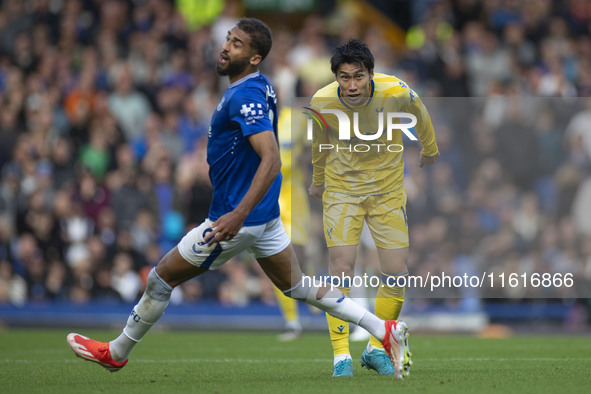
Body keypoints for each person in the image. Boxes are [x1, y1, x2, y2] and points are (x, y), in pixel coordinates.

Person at [67, 19, 411, 380]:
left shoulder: (245, 96)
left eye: (237, 44)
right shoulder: (260, 86)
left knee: (160, 278)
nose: (226, 47)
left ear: (254, 57)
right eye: (228, 40)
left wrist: (238, 214)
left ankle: (117, 351)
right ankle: (384, 330)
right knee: (301, 286)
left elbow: (271, 157)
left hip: (237, 219)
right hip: (265, 218)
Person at [308, 39, 439, 377]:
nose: (351, 85)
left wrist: (429, 148)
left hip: (387, 192)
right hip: (342, 191)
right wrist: (319, 180)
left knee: (396, 271)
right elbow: (320, 144)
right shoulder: (321, 101)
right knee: (341, 270)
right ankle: (341, 357)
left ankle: (374, 349)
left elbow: (420, 112)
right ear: (336, 76)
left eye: (358, 76)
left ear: (371, 74)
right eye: (344, 77)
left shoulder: (395, 90)